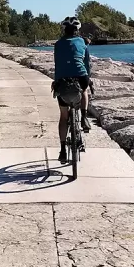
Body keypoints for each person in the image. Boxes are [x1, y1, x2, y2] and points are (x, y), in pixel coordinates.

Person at [53, 16, 91, 163]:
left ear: (64, 29)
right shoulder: (83, 42)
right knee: (85, 90)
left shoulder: (57, 44)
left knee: (63, 116)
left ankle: (63, 150)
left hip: (62, 82)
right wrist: (89, 79)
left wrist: (56, 82)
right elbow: (86, 65)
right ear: (77, 30)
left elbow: (58, 65)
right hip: (80, 79)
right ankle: (84, 118)